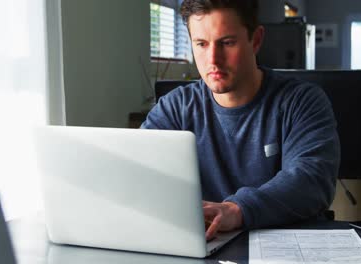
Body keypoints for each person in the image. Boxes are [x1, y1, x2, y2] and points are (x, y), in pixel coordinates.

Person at [141, 0, 340, 240]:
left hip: (286, 242)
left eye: (227, 42)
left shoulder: (302, 101)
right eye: (201, 44)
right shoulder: (174, 108)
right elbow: (138, 171)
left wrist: (237, 210)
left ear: (255, 40)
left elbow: (312, 181)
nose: (213, 59)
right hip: (208, 244)